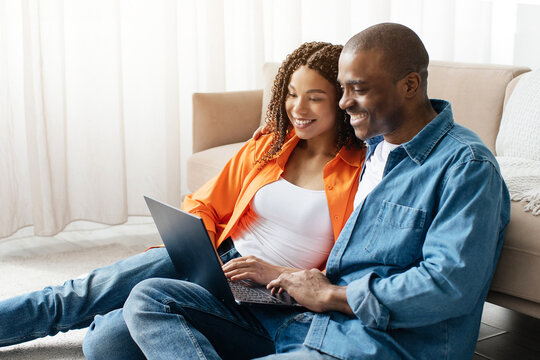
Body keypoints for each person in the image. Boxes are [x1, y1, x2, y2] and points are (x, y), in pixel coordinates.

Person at [122, 23, 511, 360]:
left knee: (120, 344)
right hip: (314, 321)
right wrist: (292, 280)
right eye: (342, 89)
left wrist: (330, 296)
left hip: (373, 344)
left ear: (410, 84)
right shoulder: (373, 147)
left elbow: (447, 286)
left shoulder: (466, 166)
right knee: (145, 302)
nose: (344, 104)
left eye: (358, 89)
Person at [0, 42, 366, 359]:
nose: (297, 107)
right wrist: (197, 252)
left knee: (106, 344)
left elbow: (349, 269)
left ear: (341, 100)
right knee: (76, 295)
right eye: (290, 93)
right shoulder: (270, 144)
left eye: (314, 98)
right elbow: (205, 202)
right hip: (215, 256)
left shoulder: (363, 170)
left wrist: (281, 276)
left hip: (272, 294)